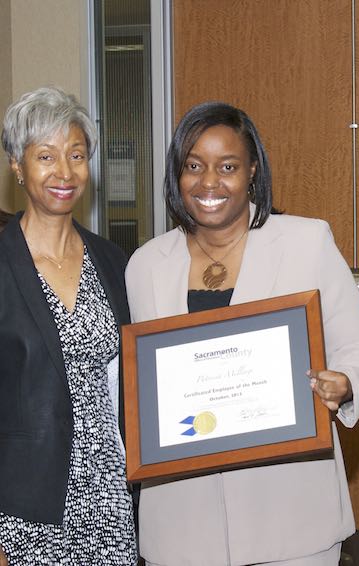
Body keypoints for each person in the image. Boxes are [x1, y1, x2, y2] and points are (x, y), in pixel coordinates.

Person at [125, 100, 359, 566]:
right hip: (184, 521)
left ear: (252, 171)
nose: (209, 182)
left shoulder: (307, 241)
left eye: (227, 166)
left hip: (291, 512)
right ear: (175, 174)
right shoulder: (144, 265)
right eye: (193, 166)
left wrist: (343, 382)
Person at [0, 87, 137, 565]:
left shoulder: (113, 261)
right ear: (18, 166)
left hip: (108, 495)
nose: (64, 171)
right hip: (21, 507)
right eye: (46, 156)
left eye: (76, 155)